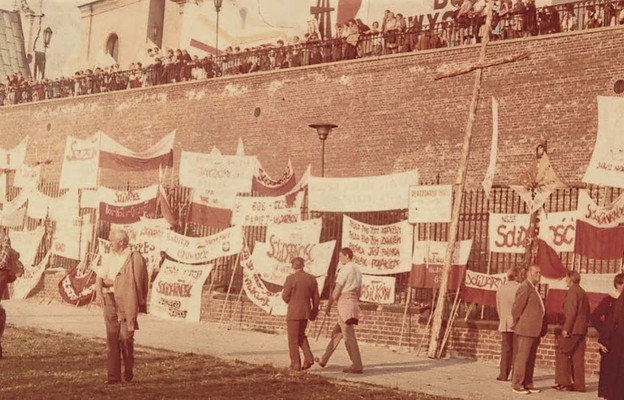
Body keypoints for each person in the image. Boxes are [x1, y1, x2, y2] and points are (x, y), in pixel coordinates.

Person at [96, 229, 148, 384]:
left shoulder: (134, 258)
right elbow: (100, 277)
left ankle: (128, 368)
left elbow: (137, 282)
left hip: (127, 301)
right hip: (110, 298)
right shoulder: (108, 257)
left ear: (121, 242)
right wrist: (99, 293)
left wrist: (115, 282)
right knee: (112, 338)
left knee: (125, 337)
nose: (110, 243)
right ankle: (113, 376)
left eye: (112, 240)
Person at [316, 247, 363, 373]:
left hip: (344, 303)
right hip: (353, 303)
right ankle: (323, 359)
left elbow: (337, 290)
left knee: (349, 336)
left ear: (347, 256)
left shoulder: (345, 270)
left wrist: (329, 304)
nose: (339, 259)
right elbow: (359, 291)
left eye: (341, 256)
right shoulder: (357, 270)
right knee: (337, 333)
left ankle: (357, 365)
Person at [510, 264, 546, 394]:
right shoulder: (525, 287)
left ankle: (528, 383)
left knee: (530, 359)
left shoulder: (533, 288)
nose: (539, 275)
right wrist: (517, 322)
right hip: (526, 329)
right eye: (536, 273)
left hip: (534, 330)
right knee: (522, 358)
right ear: (529, 273)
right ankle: (517, 384)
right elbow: (516, 308)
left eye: (540, 273)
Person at [553, 270, 590, 392]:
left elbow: (571, 312)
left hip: (573, 329)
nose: (565, 280)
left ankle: (564, 382)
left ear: (570, 279)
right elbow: (587, 312)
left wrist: (566, 329)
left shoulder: (572, 292)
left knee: (562, 352)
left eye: (566, 278)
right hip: (581, 329)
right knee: (577, 356)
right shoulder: (582, 292)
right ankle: (579, 385)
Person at [281, 257, 320, 371]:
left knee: (293, 339)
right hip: (305, 312)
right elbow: (316, 298)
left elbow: (284, 296)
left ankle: (295, 364)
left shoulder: (291, 278)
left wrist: (292, 302)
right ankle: (309, 357)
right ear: (303, 265)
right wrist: (314, 311)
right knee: (301, 335)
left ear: (293, 266)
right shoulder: (312, 279)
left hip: (294, 312)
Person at [590, 273, 624, 399]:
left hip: (622, 341)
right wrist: (604, 333)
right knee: (611, 372)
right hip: (611, 341)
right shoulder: (610, 300)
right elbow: (594, 317)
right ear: (618, 285)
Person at [495, 266, 525, 381]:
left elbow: (498, 307)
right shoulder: (520, 288)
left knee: (506, 349)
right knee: (517, 351)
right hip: (517, 323)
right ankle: (515, 375)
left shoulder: (501, 288)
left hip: (504, 323)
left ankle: (503, 374)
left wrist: (503, 319)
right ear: (517, 276)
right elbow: (520, 306)